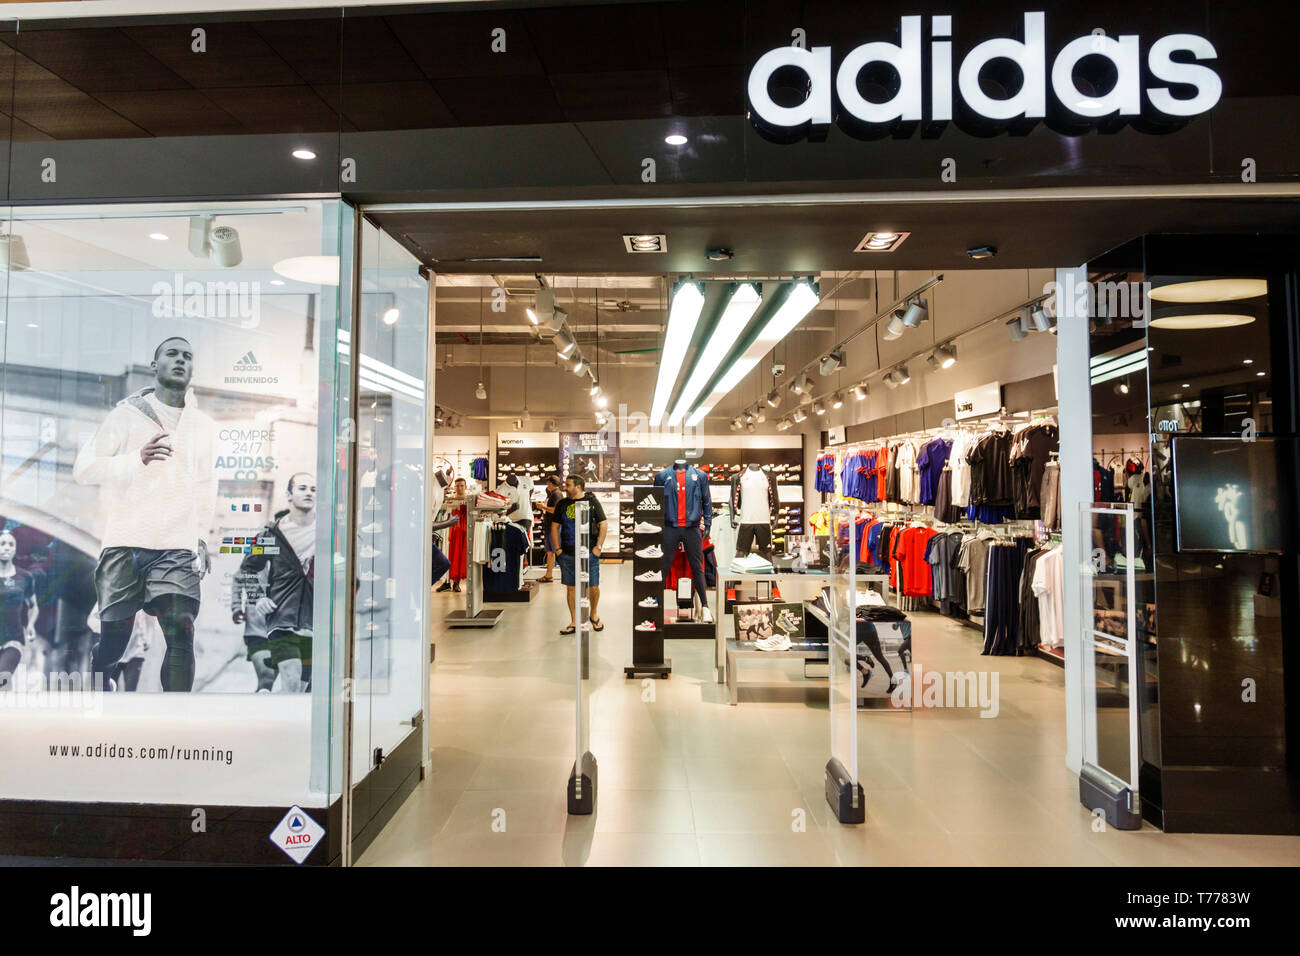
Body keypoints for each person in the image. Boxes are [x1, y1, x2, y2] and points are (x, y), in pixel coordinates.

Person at [73, 336, 217, 692]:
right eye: (172, 354)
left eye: (187, 355)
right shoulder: (126, 415)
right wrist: (135, 459)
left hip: (176, 545)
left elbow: (207, 485)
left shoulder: (204, 427)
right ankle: (100, 678)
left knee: (181, 630)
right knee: (114, 642)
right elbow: (84, 469)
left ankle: (176, 718)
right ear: (155, 366)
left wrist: (201, 536)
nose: (180, 360)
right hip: (126, 541)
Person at [238, 473, 316, 693]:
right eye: (302, 488)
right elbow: (248, 567)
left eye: (313, 489)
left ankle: (267, 702)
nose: (309, 492)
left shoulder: (326, 532)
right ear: (289, 495)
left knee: (300, 691)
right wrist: (258, 597)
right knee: (291, 682)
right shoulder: (272, 534)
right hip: (282, 618)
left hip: (315, 622)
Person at [551, 475, 606, 635]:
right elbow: (555, 527)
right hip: (567, 553)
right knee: (571, 588)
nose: (565, 488)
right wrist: (557, 549)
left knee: (593, 586)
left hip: (589, 552)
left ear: (578, 486)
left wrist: (598, 548)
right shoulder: (562, 504)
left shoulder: (592, 502)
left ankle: (593, 616)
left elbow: (603, 524)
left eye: (568, 485)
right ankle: (574, 621)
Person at [0, 531, 38, 690]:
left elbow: (33, 606)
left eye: (11, 544)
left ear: (15, 550)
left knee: (2, 679)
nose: (6, 548)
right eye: (2, 544)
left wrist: (31, 625)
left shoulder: (25, 577)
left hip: (13, 639)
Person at [232, 563, 276, 692]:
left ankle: (258, 708)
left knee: (269, 682)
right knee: (267, 677)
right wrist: (236, 608)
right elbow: (238, 578)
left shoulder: (286, 556)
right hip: (256, 629)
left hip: (282, 628)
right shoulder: (254, 557)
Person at [436, 477, 468, 593]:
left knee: (458, 556)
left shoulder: (468, 499)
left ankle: (456, 582)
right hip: (450, 529)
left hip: (462, 530)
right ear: (454, 487)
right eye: (457, 486)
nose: (459, 488)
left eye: (461, 486)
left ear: (465, 487)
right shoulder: (450, 499)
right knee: (447, 553)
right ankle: (446, 582)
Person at [538, 474, 562, 583]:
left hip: (553, 528)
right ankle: (548, 575)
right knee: (550, 552)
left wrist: (542, 507)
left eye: (548, 483)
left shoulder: (556, 494)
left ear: (550, 483)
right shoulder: (553, 494)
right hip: (550, 526)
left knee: (556, 551)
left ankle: (570, 574)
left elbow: (555, 510)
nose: (547, 485)